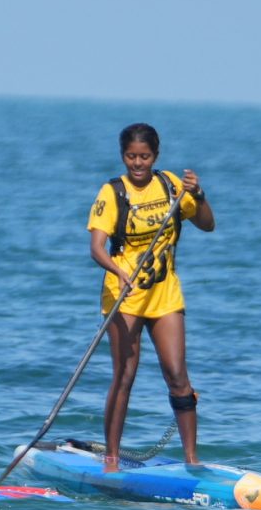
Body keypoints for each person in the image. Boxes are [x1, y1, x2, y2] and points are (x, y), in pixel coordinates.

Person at [87, 122, 214, 471]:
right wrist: (117, 271)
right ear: (122, 155)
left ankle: (192, 460)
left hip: (164, 293)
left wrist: (199, 195)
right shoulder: (113, 193)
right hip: (123, 295)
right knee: (124, 375)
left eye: (144, 157)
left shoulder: (171, 185)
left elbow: (207, 224)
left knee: (177, 376)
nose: (137, 164)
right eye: (131, 156)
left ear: (155, 156)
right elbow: (96, 247)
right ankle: (111, 459)